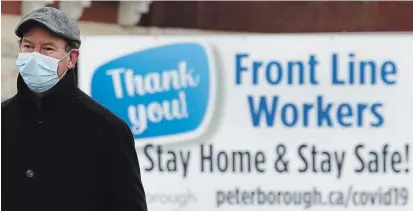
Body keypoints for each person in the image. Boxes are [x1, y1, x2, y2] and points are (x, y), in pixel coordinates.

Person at [2, 7, 147, 211]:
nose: (35, 56)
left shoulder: (107, 130)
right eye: (28, 46)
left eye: (47, 49)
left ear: (71, 58)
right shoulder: (4, 118)